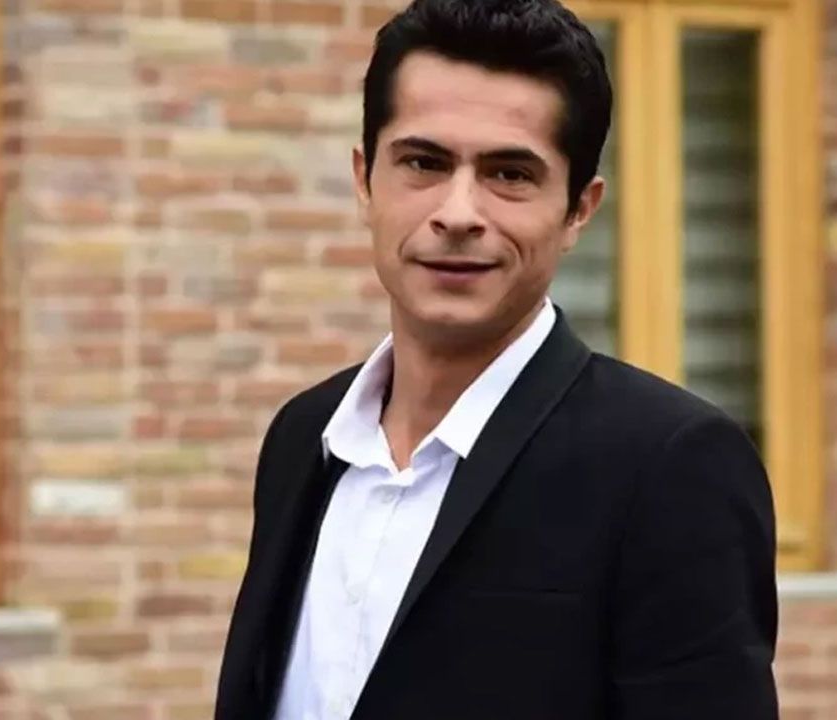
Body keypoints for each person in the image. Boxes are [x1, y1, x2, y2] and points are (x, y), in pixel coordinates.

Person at [215, 0, 779, 717]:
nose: (458, 213)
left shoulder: (671, 466)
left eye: (509, 174)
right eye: (423, 163)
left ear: (578, 210)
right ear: (364, 180)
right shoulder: (304, 438)